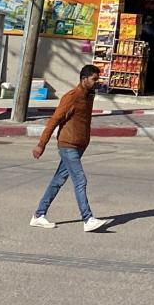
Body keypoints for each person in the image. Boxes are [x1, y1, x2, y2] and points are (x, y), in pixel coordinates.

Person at [29, 63, 109, 232]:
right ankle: (87, 219)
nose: (96, 82)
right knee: (80, 180)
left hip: (79, 145)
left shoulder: (89, 95)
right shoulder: (71, 97)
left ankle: (38, 215)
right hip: (68, 145)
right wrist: (41, 144)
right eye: (94, 79)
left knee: (58, 180)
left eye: (97, 79)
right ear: (83, 79)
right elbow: (54, 120)